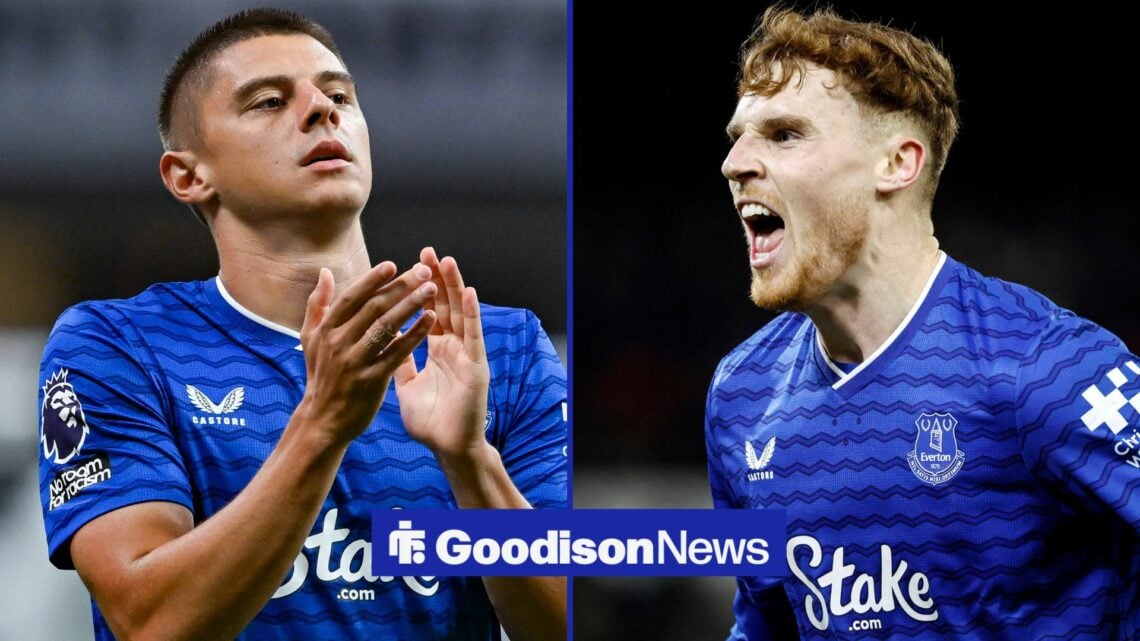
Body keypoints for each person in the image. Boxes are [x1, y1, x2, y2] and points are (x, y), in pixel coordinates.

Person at [36, 8, 566, 641]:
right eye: (268, 101)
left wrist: (471, 462)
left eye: (339, 95)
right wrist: (323, 423)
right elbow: (151, 622)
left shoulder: (501, 349)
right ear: (189, 175)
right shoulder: (119, 346)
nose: (321, 110)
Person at [705, 6, 1140, 640]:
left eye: (785, 134)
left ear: (897, 164)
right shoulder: (741, 394)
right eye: (737, 136)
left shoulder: (1049, 369)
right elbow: (765, 624)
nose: (734, 162)